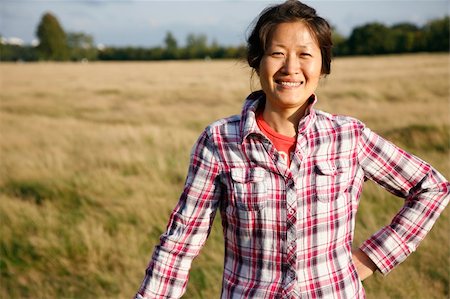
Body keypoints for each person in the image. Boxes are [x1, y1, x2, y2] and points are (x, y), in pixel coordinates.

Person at [135, 1, 449, 298]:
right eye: (277, 53)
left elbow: (432, 187)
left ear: (324, 65)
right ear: (256, 61)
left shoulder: (348, 137)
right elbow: (180, 244)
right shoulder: (219, 142)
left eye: (304, 55)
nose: (290, 67)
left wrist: (371, 257)